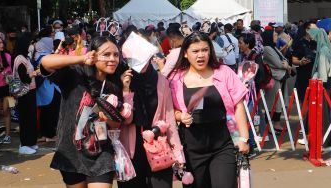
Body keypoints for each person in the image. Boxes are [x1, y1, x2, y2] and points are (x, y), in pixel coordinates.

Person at [41, 36, 133, 188]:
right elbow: (46, 62)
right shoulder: (75, 74)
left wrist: (107, 119)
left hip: (101, 152)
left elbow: (117, 124)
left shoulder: (115, 84)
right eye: (106, 54)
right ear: (93, 54)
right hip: (71, 151)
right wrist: (81, 59)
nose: (112, 59)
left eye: (116, 55)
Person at [168, 32, 249, 188]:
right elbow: (169, 110)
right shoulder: (175, 79)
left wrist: (244, 138)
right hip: (191, 148)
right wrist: (180, 116)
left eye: (205, 50)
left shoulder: (224, 72)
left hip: (223, 144)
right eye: (195, 51)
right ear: (185, 53)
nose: (201, 55)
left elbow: (238, 105)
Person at [118, 51, 185, 187]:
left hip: (159, 147)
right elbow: (126, 119)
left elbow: (169, 118)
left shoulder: (161, 81)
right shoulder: (123, 80)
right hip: (131, 151)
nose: (139, 62)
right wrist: (126, 90)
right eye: (133, 59)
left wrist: (177, 150)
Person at [261, 29, 292, 133]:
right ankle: (269, 126)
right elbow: (279, 64)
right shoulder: (267, 48)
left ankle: (276, 124)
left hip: (279, 77)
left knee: (278, 101)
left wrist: (286, 65)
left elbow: (285, 60)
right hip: (273, 78)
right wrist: (286, 66)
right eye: (274, 35)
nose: (277, 37)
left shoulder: (273, 47)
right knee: (272, 102)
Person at [13, 33, 39, 154]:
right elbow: (24, 78)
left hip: (30, 91)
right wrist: (34, 74)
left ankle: (31, 142)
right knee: (26, 118)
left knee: (31, 118)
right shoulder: (20, 59)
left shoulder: (26, 58)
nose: (31, 46)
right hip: (24, 93)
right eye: (29, 44)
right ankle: (24, 144)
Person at [307, 27, 331, 147]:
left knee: (324, 114)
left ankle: (325, 139)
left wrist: (318, 81)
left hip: (324, 86)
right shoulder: (328, 48)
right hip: (327, 84)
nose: (312, 40)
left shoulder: (322, 51)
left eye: (314, 38)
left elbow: (323, 74)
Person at [0, 36, 12, 145]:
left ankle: (7, 135)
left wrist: (6, 73)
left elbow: (11, 71)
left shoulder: (8, 56)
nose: (2, 45)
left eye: (2, 43)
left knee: (7, 111)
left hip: (8, 87)